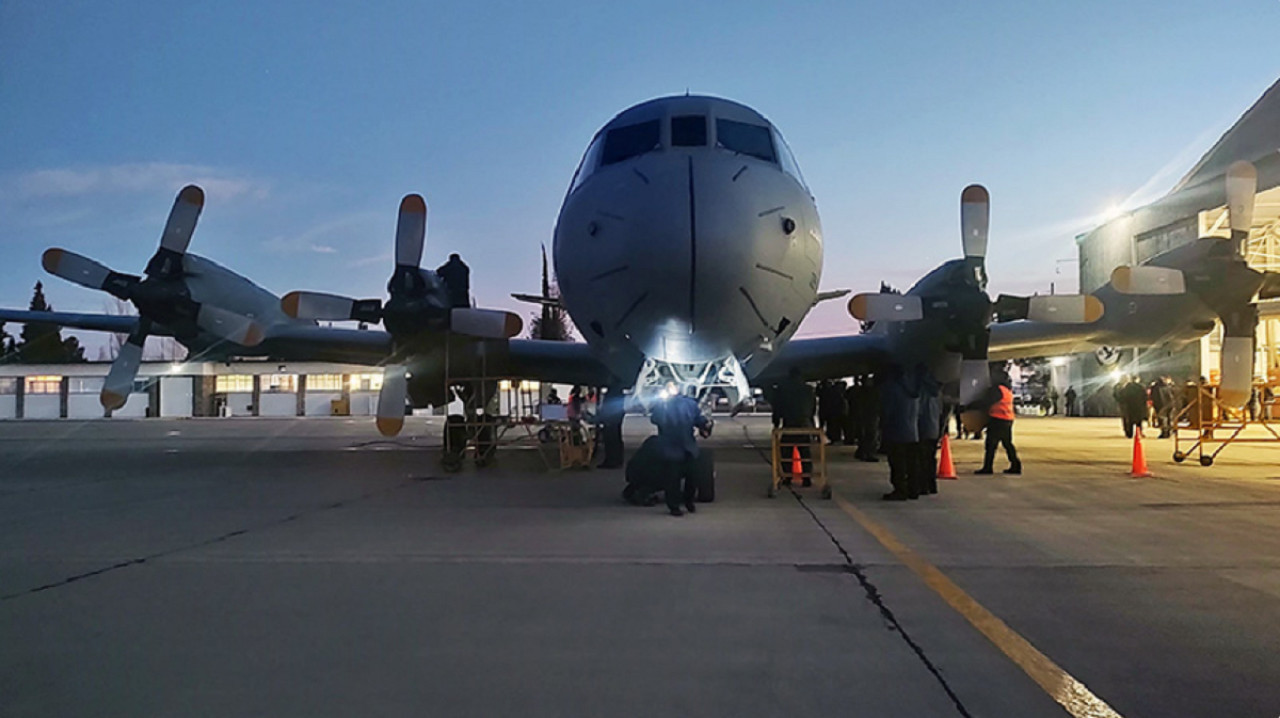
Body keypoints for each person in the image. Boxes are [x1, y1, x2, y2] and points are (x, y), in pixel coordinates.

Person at [649, 385, 712, 516]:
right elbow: (655, 419)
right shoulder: (662, 405)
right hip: (671, 446)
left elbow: (697, 419)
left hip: (687, 446)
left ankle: (688, 500)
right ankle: (674, 506)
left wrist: (705, 424)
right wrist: (661, 406)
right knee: (672, 479)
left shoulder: (689, 404)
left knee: (692, 477)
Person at [879, 365, 920, 500]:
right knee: (911, 463)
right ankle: (913, 490)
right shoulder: (915, 389)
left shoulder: (892, 389)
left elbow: (887, 411)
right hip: (912, 432)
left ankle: (900, 491)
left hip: (895, 432)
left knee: (898, 464)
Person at [773, 367, 817, 485]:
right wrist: (812, 426)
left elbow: (778, 407)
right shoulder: (808, 390)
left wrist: (776, 422)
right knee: (805, 452)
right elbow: (813, 408)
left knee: (786, 451)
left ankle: (788, 476)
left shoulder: (783, 389)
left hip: (789, 423)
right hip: (804, 424)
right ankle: (806, 477)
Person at [974, 368, 1021, 475]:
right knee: (1007, 444)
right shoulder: (1007, 390)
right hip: (1007, 419)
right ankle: (1016, 465)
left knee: (991, 445)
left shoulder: (997, 390)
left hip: (997, 419)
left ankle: (988, 467)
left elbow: (986, 402)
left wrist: (970, 406)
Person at [915, 367, 942, 497]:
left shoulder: (920, 392)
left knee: (920, 459)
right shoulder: (936, 393)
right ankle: (931, 485)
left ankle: (922, 486)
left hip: (922, 428)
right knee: (930, 459)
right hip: (933, 428)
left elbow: (918, 411)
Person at [597, 386, 626, 469]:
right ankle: (617, 460)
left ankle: (611, 460)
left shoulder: (611, 394)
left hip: (611, 420)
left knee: (610, 440)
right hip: (615, 420)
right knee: (616, 439)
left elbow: (608, 407)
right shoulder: (619, 394)